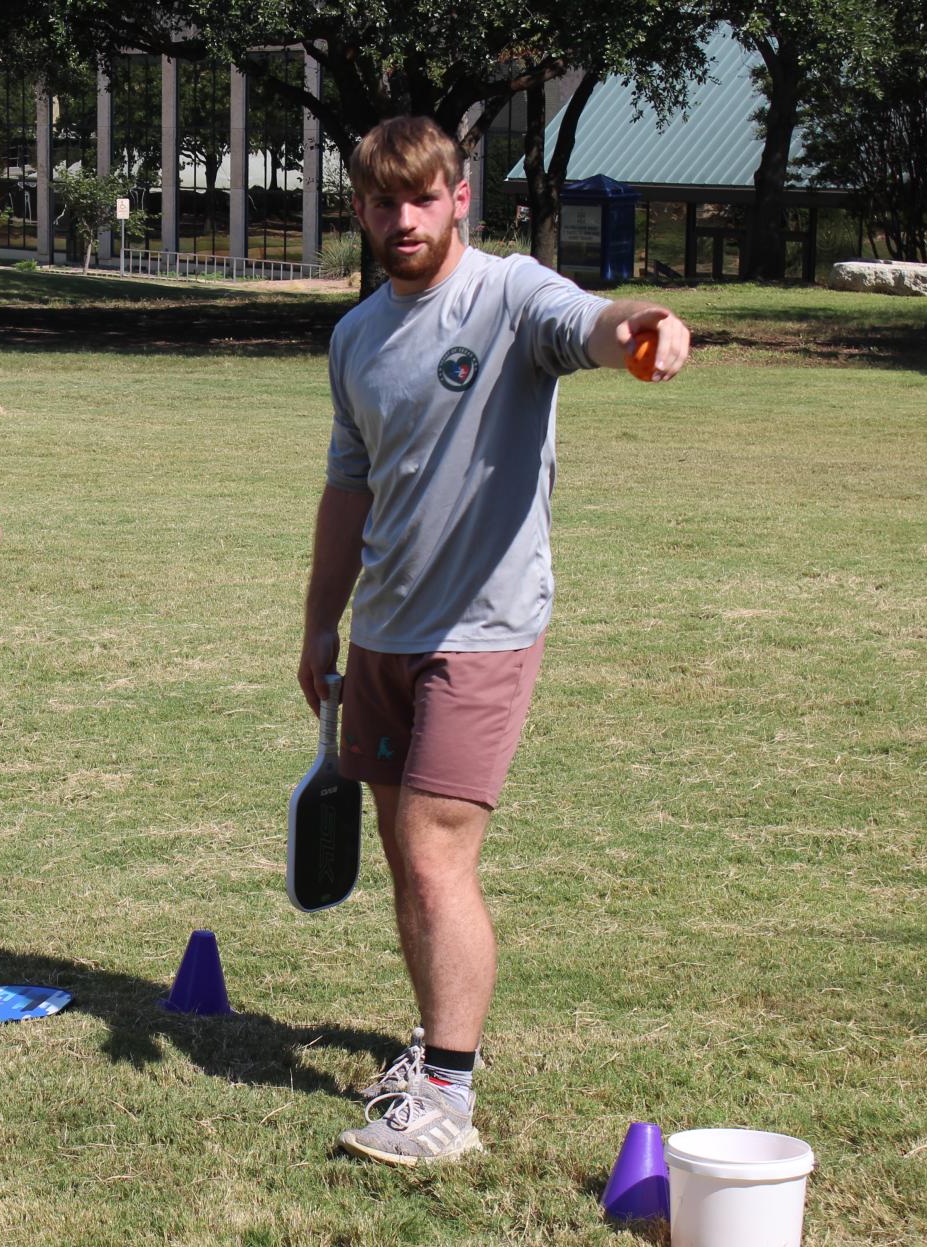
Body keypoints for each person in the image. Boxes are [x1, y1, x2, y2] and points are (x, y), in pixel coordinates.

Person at [298, 117, 690, 1166]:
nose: (403, 220)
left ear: (459, 196)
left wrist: (646, 323)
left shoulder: (511, 297)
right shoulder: (356, 338)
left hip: (482, 632)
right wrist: (317, 622)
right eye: (383, 203)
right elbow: (349, 488)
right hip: (382, 630)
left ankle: (449, 1098)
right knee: (403, 858)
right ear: (364, 209)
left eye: (422, 198)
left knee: (435, 855)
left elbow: (593, 325)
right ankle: (430, 1049)